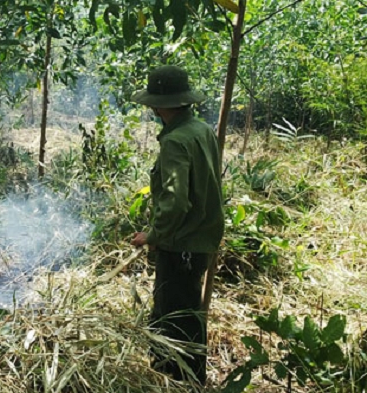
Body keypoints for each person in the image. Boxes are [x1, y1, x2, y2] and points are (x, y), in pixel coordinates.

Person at [130, 65, 225, 386]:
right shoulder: (201, 130)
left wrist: (153, 235)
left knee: (176, 318)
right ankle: (183, 378)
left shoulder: (176, 142)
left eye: (154, 103)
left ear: (160, 104)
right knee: (185, 312)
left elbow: (175, 200)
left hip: (182, 244)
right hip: (200, 240)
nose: (152, 109)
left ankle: (181, 381)